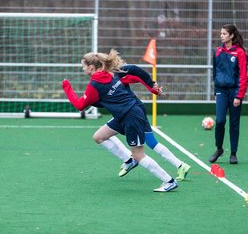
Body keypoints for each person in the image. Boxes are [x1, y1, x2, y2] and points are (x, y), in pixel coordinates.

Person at [62, 49, 178, 192]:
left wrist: (67, 88)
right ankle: (128, 160)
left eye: (83, 66)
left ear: (91, 67)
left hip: (131, 115)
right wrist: (151, 86)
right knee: (99, 137)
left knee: (139, 154)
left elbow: (80, 105)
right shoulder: (110, 72)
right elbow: (102, 99)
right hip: (122, 115)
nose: (83, 69)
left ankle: (169, 181)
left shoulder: (95, 84)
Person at [93, 64, 191, 181]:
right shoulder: (104, 81)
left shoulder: (116, 75)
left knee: (150, 142)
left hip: (133, 113)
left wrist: (152, 87)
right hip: (127, 114)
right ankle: (130, 160)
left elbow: (137, 75)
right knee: (102, 135)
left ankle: (178, 166)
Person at [209, 24, 248, 164]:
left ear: (231, 35)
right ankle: (219, 149)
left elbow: (243, 76)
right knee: (220, 121)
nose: (221, 36)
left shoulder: (240, 53)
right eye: (221, 33)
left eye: (224, 34)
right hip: (221, 91)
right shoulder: (218, 51)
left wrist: (239, 95)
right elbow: (215, 72)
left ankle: (233, 153)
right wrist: (215, 91)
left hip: (234, 92)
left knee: (234, 123)